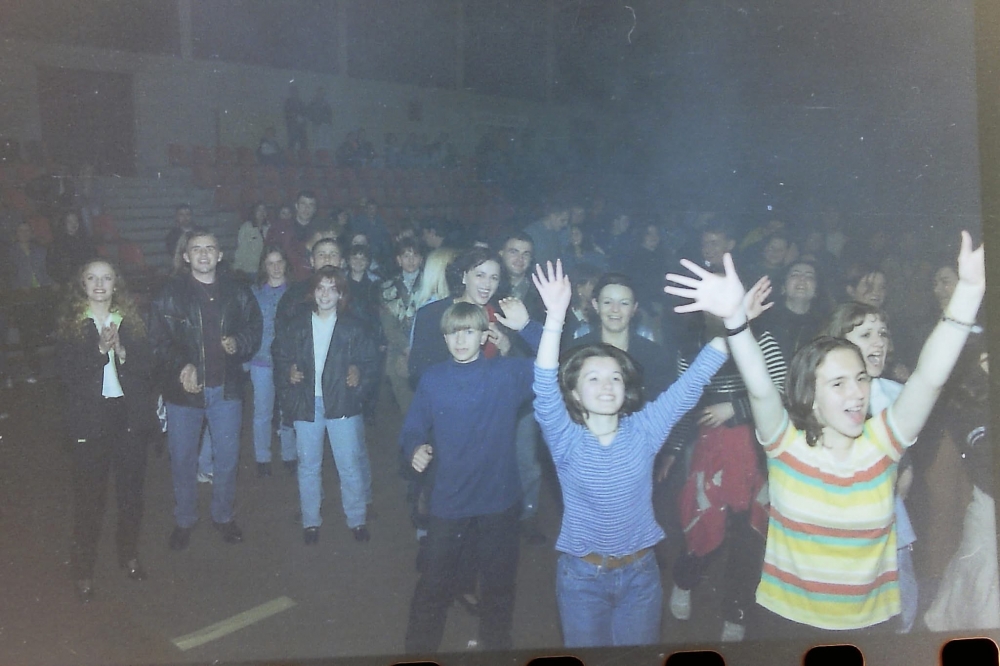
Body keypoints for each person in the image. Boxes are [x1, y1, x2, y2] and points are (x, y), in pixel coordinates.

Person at [663, 231, 985, 636]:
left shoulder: (883, 443)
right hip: (786, 624)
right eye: (838, 383)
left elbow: (928, 378)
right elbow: (760, 388)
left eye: (861, 378)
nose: (857, 393)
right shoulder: (786, 446)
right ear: (811, 397)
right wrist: (735, 322)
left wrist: (968, 292)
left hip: (870, 628)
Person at [531, 260, 728, 647]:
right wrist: (554, 317)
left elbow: (691, 383)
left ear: (626, 389)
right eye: (593, 378)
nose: (606, 386)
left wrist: (731, 322)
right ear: (574, 394)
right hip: (582, 579)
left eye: (615, 378)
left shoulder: (644, 429)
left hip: (641, 575)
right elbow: (544, 383)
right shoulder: (565, 438)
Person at [400, 298, 539, 653]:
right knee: (433, 584)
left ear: (484, 336)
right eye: (453, 333)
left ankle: (496, 649)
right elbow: (412, 427)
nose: (460, 340)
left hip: (499, 500)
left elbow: (558, 364)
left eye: (468, 332)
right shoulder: (433, 379)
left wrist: (527, 328)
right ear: (444, 338)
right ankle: (418, 652)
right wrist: (414, 447)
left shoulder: (506, 375)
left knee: (498, 586)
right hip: (450, 499)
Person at [148, 229, 263, 551]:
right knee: (182, 460)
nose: (203, 254)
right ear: (186, 256)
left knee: (226, 459)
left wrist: (239, 342)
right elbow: (156, 341)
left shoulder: (238, 291)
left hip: (226, 390)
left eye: (210, 248)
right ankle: (184, 519)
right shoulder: (169, 293)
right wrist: (181, 365)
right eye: (196, 248)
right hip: (183, 393)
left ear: (220, 255)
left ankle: (223, 516)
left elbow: (254, 327)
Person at [56, 259, 158, 603]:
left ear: (116, 284)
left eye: (107, 278)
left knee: (131, 496)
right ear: (82, 284)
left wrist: (122, 351)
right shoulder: (72, 325)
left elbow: (148, 368)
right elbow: (67, 376)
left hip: (127, 417)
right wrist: (100, 350)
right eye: (92, 278)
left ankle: (128, 555)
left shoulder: (130, 320)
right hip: (91, 419)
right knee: (90, 500)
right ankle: (83, 570)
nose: (99, 284)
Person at [822, 302, 919, 633]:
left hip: (888, 524)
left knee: (902, 605)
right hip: (840, 530)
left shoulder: (894, 395)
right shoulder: (823, 398)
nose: (879, 342)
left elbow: (904, 468)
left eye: (883, 334)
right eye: (866, 335)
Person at [272, 266, 378, 544]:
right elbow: (280, 354)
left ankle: (356, 519)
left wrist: (358, 374)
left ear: (341, 294)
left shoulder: (353, 327)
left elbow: (370, 361)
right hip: (308, 402)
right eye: (321, 288)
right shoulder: (297, 325)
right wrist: (288, 372)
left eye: (333, 289)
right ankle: (310, 521)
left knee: (349, 464)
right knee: (308, 464)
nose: (326, 294)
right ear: (313, 292)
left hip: (341, 403)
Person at [923, 336, 999, 631]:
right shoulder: (968, 404)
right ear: (982, 361)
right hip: (986, 502)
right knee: (980, 581)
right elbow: (984, 465)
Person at [248, 246, 296, 477]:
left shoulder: (296, 293)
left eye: (279, 262)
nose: (276, 268)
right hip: (261, 360)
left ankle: (289, 454)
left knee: (288, 410)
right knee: (262, 411)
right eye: (270, 263)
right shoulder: (255, 293)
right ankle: (262, 457)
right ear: (264, 267)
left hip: (288, 361)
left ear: (286, 264)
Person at [379, 238, 424, 416]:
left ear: (421, 259)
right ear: (398, 260)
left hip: (425, 349)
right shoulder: (387, 288)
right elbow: (389, 327)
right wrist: (406, 348)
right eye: (406, 256)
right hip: (399, 350)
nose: (411, 260)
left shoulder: (432, 284)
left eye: (415, 255)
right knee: (407, 405)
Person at [266, 190, 321, 281]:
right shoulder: (279, 228)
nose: (306, 208)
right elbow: (269, 254)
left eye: (311, 205)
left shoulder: (319, 232)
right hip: (285, 279)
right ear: (296, 206)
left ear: (315, 209)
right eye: (303, 204)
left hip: (311, 279)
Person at [48, 210, 97, 284]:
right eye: (69, 222)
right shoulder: (57, 244)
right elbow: (55, 268)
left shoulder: (85, 240)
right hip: (68, 281)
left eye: (75, 221)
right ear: (64, 223)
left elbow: (92, 258)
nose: (73, 224)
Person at [232, 202, 270, 279]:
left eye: (264, 210)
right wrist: (237, 268)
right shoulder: (246, 227)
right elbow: (241, 249)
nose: (262, 213)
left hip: (265, 269)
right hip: (250, 269)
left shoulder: (269, 227)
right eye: (259, 210)